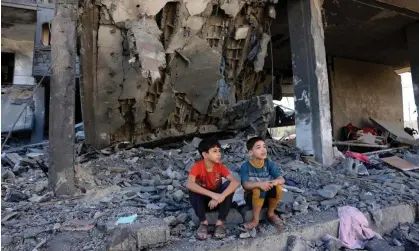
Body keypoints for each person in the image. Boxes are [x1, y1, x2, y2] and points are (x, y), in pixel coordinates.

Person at [186, 138, 240, 240]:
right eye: (215, 151)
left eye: (219, 151)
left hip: (218, 201)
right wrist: (213, 195)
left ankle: (219, 224)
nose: (219, 154)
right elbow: (189, 184)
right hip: (204, 203)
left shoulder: (220, 167)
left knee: (229, 184)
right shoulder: (198, 166)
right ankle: (204, 223)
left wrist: (220, 196)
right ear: (205, 154)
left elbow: (235, 182)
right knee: (193, 188)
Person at [240, 136, 285, 231]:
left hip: (267, 198)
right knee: (258, 190)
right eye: (258, 147)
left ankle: (270, 213)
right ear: (250, 152)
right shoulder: (245, 166)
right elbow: (245, 185)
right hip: (252, 198)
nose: (263, 150)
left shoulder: (269, 163)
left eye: (264, 146)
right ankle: (255, 220)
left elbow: (281, 179)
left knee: (278, 188)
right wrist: (260, 184)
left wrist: (274, 182)